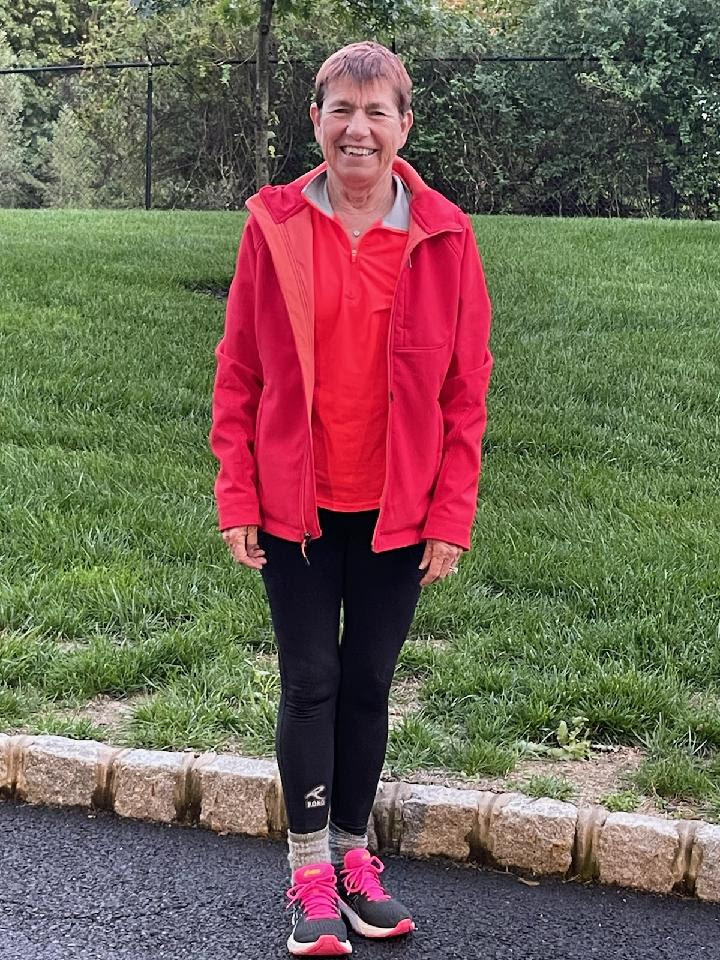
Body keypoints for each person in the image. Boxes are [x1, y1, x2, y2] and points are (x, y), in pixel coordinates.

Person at [210, 40, 493, 958]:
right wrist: (238, 490)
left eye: (377, 112)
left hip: (396, 512)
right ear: (317, 121)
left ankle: (353, 857)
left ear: (405, 125)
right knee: (313, 682)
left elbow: (465, 389)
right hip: (297, 505)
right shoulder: (275, 224)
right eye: (342, 110)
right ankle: (306, 873)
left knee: (368, 682)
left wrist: (450, 512)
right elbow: (240, 370)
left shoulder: (445, 235)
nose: (357, 129)